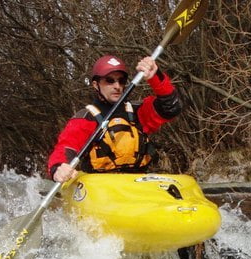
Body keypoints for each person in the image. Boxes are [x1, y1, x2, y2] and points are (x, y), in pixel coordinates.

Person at [48, 54, 182, 182]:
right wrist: (58, 168)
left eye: (121, 81)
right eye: (110, 80)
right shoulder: (86, 118)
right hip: (100, 185)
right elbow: (66, 147)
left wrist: (155, 76)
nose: (117, 86)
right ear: (96, 85)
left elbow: (171, 106)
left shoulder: (137, 111)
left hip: (138, 182)